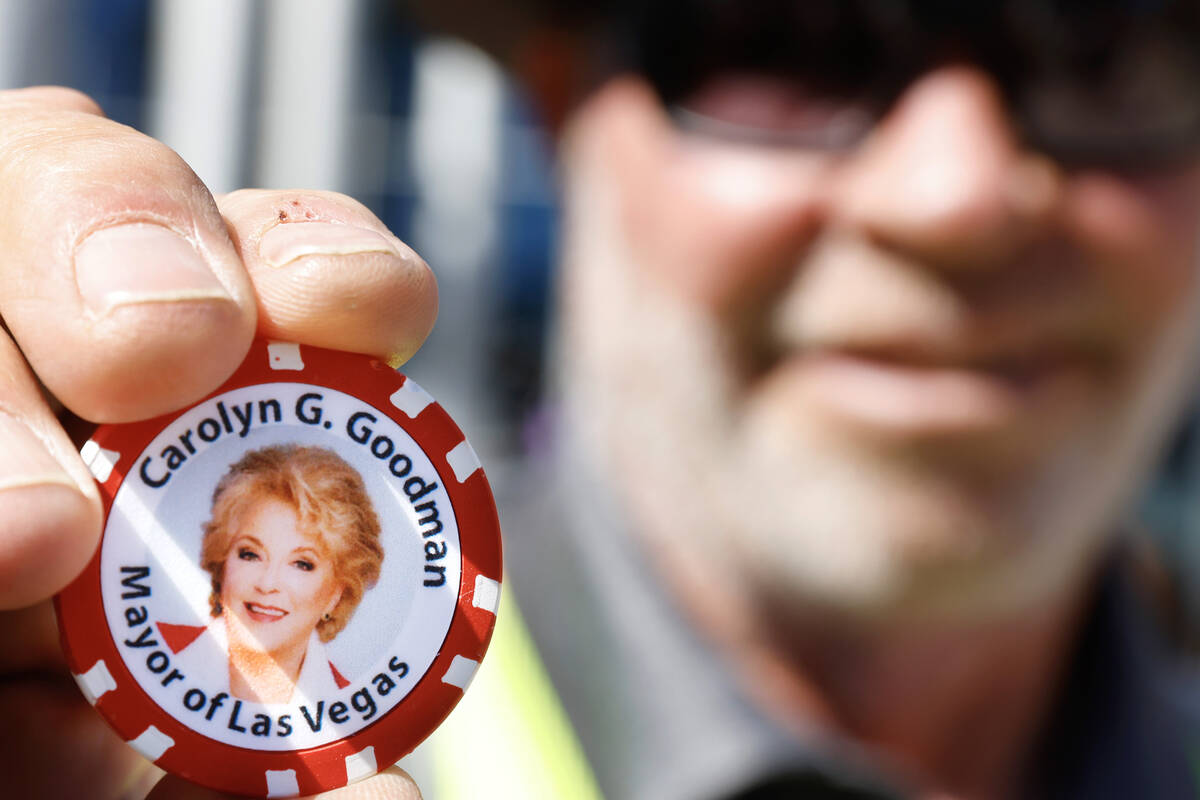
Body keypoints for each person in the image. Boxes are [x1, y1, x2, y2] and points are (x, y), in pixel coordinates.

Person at [4, 1, 1200, 798]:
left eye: (1105, 49)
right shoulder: (116, 722)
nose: (960, 197)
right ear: (557, 97)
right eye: (792, 40)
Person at [157, 445, 384, 705]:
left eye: (301, 564)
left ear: (336, 594)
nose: (267, 584)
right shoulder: (145, 655)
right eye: (250, 554)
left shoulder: (360, 715)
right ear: (223, 562)